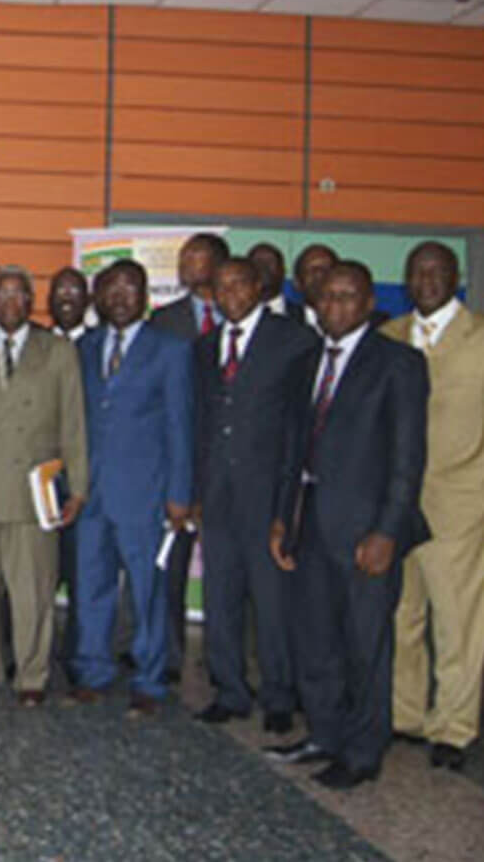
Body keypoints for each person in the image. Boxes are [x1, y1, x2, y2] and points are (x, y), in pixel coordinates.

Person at [265, 262, 429, 790]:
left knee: (366, 645)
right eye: (326, 297)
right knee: (314, 639)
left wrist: (387, 530)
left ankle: (363, 750)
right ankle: (324, 734)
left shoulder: (398, 363)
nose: (333, 306)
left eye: (346, 296)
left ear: (367, 303)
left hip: (366, 532)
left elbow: (408, 458)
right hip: (309, 521)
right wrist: (280, 517)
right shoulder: (307, 358)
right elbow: (292, 449)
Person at [192, 258, 316, 734]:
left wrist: (288, 504)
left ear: (259, 287)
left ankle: (280, 696)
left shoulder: (293, 340)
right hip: (217, 494)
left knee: (271, 601)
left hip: (268, 495)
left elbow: (298, 429)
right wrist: (197, 490)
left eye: (238, 284)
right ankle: (230, 690)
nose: (230, 295)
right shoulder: (204, 348)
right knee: (220, 595)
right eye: (220, 287)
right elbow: (201, 421)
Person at [0, 266, 84, 706]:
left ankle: (32, 675)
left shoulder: (57, 350)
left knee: (33, 592)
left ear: (31, 302)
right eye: (0, 294)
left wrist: (78, 487)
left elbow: (73, 423)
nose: (9, 302)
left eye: (18, 294)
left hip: (33, 489)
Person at [68, 259, 193, 719]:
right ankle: (94, 673)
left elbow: (180, 425)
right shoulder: (85, 346)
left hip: (145, 493)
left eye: (130, 288)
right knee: (91, 588)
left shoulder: (170, 350)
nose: (120, 296)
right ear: (98, 297)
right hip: (90, 493)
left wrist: (179, 493)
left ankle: (149, 679)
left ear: (145, 298)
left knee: (147, 592)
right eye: (111, 288)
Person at [383, 242, 484, 772]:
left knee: (458, 620)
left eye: (437, 270)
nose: (426, 279)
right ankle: (406, 715)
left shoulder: (480, 338)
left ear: (456, 276)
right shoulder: (389, 336)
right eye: (417, 270)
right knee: (403, 612)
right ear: (406, 279)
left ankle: (454, 725)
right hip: (396, 502)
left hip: (459, 502)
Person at [148, 231, 228, 684]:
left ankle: (224, 663)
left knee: (224, 573)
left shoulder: (239, 318)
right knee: (171, 569)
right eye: (183, 256)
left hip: (226, 465)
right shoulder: (164, 321)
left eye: (196, 255)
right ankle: (171, 657)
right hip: (177, 462)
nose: (187, 263)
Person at [47, 266, 93, 668]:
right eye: (59, 290)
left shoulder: (98, 347)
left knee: (83, 575)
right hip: (37, 481)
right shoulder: (37, 345)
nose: (66, 297)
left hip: (83, 480)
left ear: (88, 300)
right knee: (38, 575)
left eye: (75, 291)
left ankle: (79, 656)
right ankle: (33, 653)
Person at [287, 243, 337, 332]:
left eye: (327, 269)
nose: (320, 275)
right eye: (313, 270)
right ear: (297, 283)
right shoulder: (284, 326)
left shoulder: (358, 324)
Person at [248, 242, 288, 315]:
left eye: (269, 261)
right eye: (257, 262)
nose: (263, 267)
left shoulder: (303, 315)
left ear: (283, 270)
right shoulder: (236, 313)